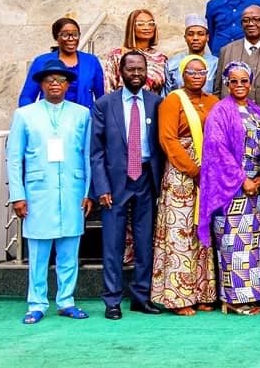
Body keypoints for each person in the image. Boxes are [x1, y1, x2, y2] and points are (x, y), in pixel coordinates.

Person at [8, 59, 94, 324]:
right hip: (37, 193)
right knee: (39, 252)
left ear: (68, 85)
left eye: (60, 80)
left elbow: (87, 154)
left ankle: (66, 300)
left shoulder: (81, 113)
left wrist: (87, 191)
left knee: (69, 250)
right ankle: (36, 303)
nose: (55, 84)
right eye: (49, 80)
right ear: (41, 84)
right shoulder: (25, 114)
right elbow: (14, 157)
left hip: (72, 189)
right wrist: (17, 194)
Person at [198, 62, 260, 315]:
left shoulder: (257, 112)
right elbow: (218, 151)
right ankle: (234, 298)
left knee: (253, 243)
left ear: (251, 83)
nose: (239, 85)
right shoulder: (220, 112)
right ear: (226, 83)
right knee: (234, 243)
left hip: (257, 186)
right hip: (231, 188)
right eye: (234, 81)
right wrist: (243, 180)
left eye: (244, 80)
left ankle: (253, 293)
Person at [91, 51, 164, 320]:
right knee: (113, 244)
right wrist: (101, 187)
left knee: (145, 243)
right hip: (115, 182)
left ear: (147, 72)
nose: (136, 73)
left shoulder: (157, 103)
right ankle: (112, 300)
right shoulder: (104, 104)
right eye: (130, 69)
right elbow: (96, 151)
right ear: (121, 72)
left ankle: (140, 297)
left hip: (146, 178)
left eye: (140, 69)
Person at [150, 54, 219, 316]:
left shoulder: (213, 101)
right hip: (182, 175)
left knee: (202, 234)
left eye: (202, 72)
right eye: (191, 72)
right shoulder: (172, 101)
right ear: (181, 75)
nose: (197, 76)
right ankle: (180, 298)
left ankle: (202, 293)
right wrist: (193, 170)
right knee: (180, 234)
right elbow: (168, 140)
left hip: (209, 174)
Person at [19, 17, 104, 110]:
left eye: (75, 34)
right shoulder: (41, 61)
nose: (71, 39)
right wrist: (31, 118)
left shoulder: (91, 61)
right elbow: (27, 97)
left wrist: (96, 120)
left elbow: (101, 98)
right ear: (56, 37)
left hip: (84, 120)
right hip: (50, 118)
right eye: (65, 35)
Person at [105, 9, 168, 95]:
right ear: (131, 27)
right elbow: (109, 88)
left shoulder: (161, 58)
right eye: (140, 24)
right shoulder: (118, 55)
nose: (147, 27)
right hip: (122, 105)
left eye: (151, 23)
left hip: (153, 106)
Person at [163, 14, 219, 95]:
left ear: (207, 37)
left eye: (200, 34)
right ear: (185, 37)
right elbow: (166, 95)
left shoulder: (216, 64)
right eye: (190, 34)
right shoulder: (172, 63)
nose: (195, 38)